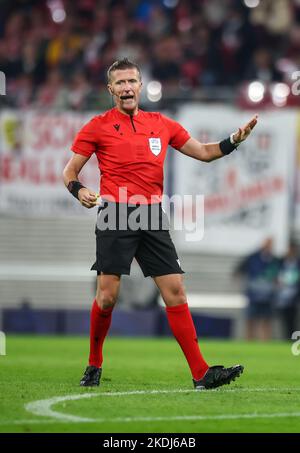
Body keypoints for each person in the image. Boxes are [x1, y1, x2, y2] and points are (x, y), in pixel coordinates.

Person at [63, 58, 258, 390]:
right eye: (120, 83)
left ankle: (201, 373)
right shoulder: (96, 126)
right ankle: (94, 362)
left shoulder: (162, 124)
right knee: (108, 297)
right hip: (115, 214)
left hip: (152, 216)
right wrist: (78, 190)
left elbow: (204, 152)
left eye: (131, 81)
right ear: (110, 89)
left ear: (140, 86)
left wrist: (233, 141)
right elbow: (70, 172)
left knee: (176, 291)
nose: (126, 87)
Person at [235, 238, 279, 341]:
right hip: (253, 294)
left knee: (266, 320)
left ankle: (265, 341)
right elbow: (238, 270)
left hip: (268, 295)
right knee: (250, 320)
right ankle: (249, 341)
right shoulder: (252, 257)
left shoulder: (274, 260)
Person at [275, 241, 300, 340]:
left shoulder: (297, 263)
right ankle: (287, 339)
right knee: (284, 321)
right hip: (282, 297)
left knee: (293, 320)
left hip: (294, 297)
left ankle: (294, 340)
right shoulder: (281, 262)